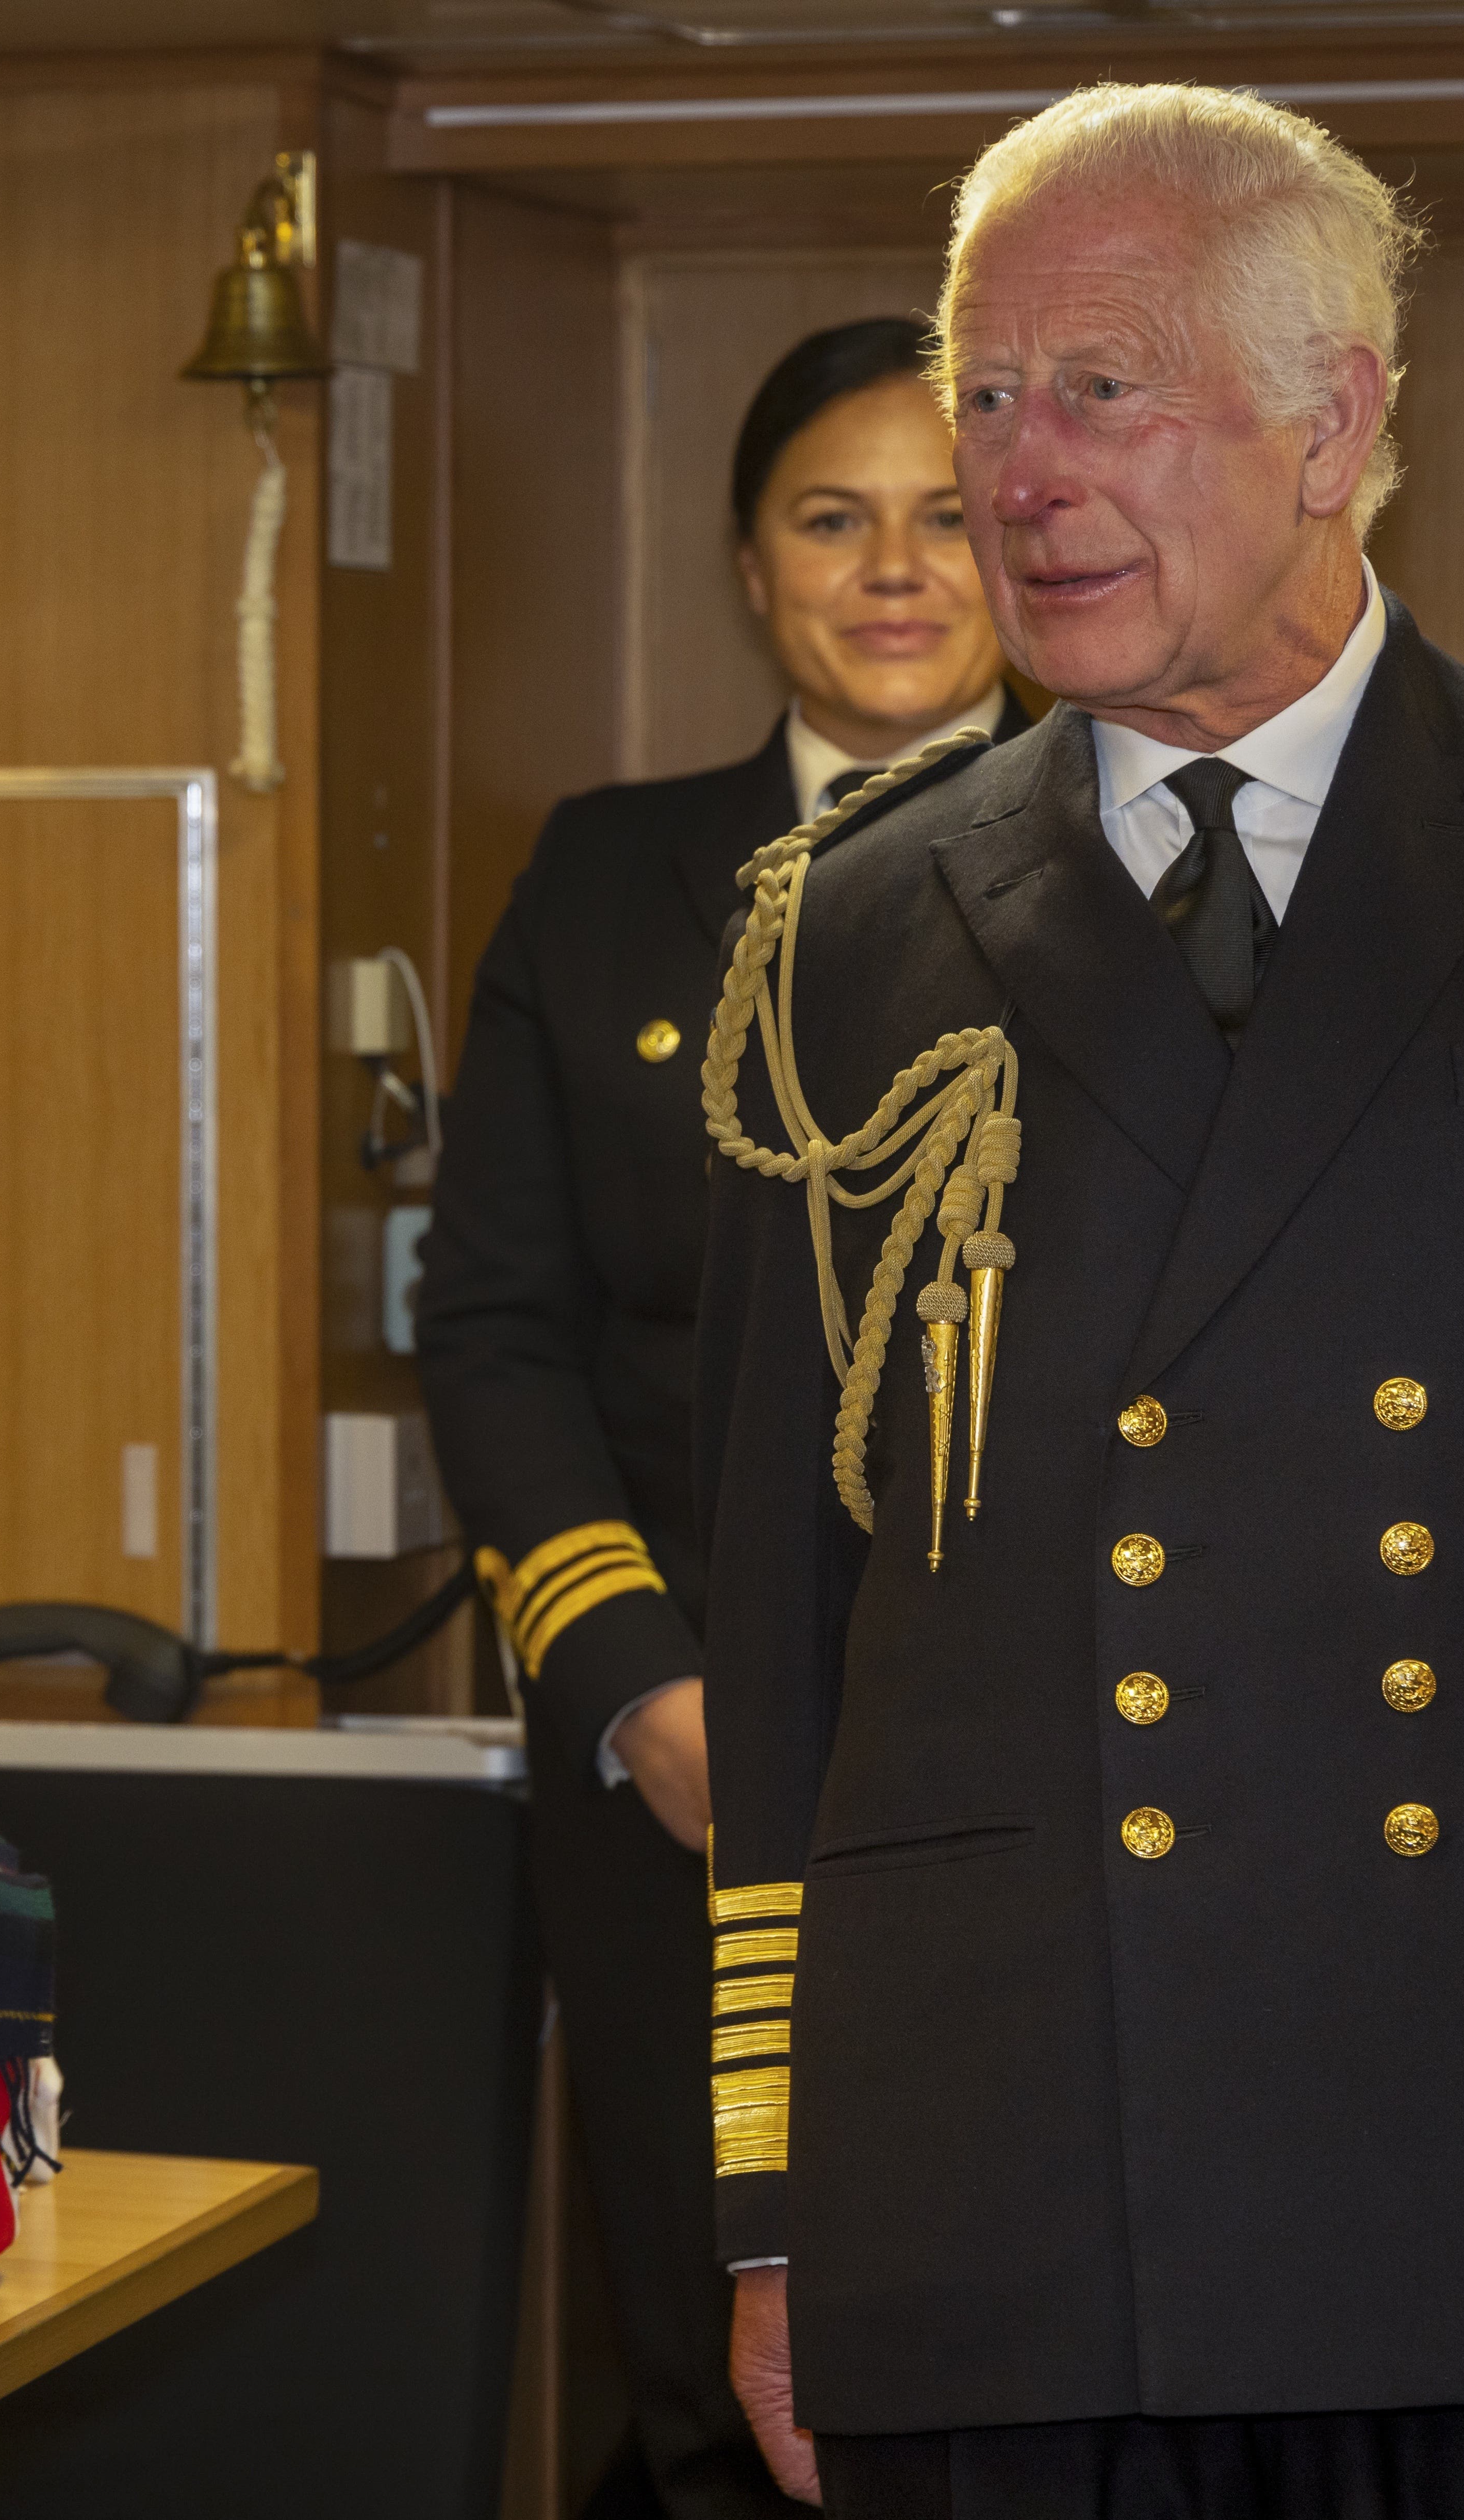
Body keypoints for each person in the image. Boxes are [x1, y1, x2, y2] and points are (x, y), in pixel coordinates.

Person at [692, 85, 1464, 2520]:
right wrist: (776, 2206)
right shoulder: (848, 932)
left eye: (1102, 391)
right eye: (985, 392)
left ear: (1332, 423)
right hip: (1005, 2188)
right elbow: (788, 1621)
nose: (1016, 473)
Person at [417, 316, 1024, 2520]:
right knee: (701, 2373)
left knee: (1003, 2341)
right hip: (681, 1770)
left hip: (1027, 1755)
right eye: (829, 517)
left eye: (947, 517)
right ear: (746, 566)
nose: (892, 569)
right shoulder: (604, 876)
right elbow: (489, 1319)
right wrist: (630, 1672)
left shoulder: (1148, 868)